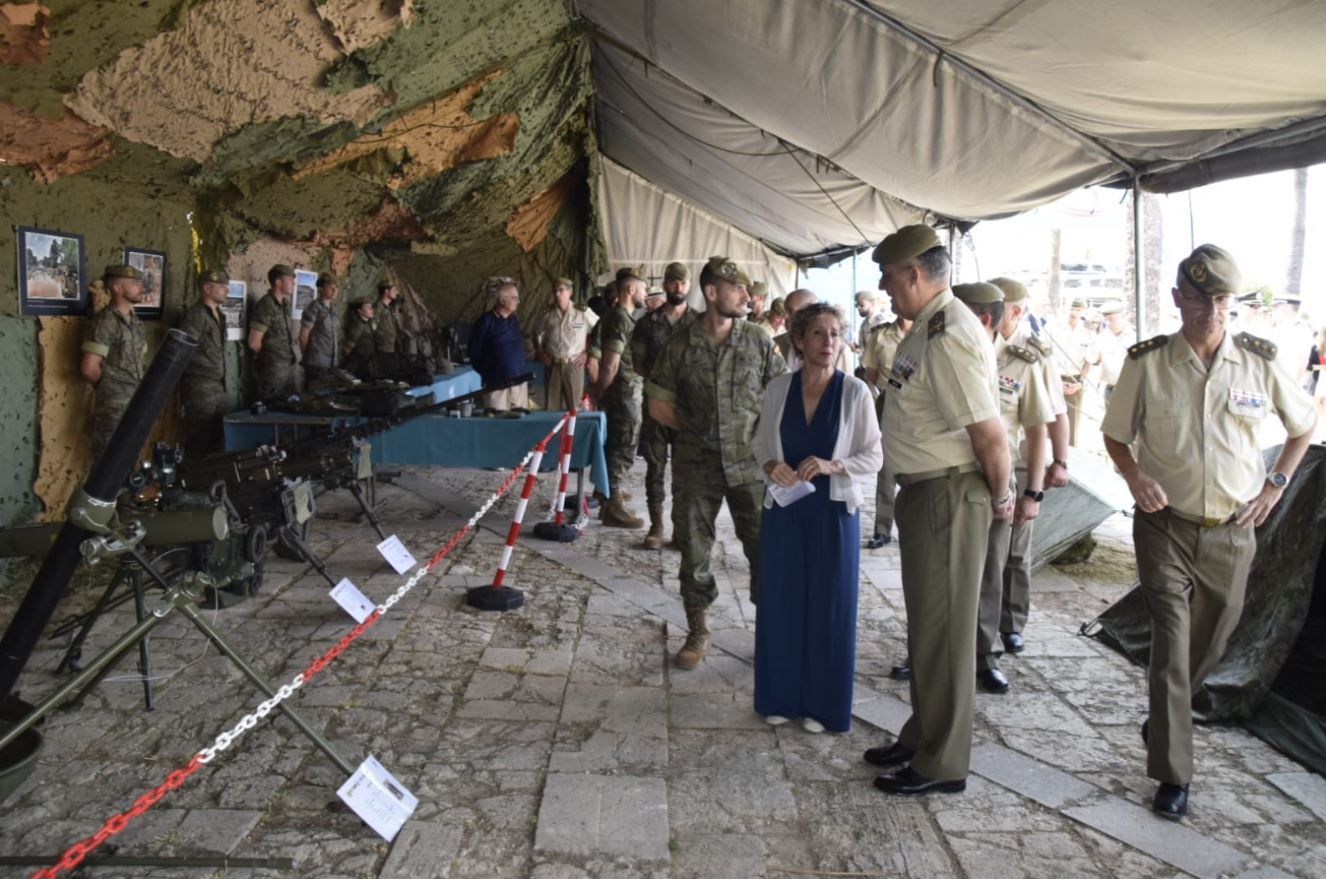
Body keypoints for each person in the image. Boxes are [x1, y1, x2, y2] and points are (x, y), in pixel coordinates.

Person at [1101, 244, 1316, 820]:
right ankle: (1174, 773)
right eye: (1198, 299)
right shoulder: (1146, 363)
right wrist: (1134, 475)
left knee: (1214, 639)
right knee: (1171, 646)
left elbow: (1304, 425)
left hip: (1230, 530)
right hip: (1163, 526)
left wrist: (1274, 485)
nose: (1210, 311)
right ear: (1178, 299)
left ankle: (1165, 715)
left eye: (1220, 300)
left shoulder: (1259, 361)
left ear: (1233, 303)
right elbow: (1116, 436)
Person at [862, 225, 1011, 796]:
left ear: (915, 275)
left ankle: (942, 762)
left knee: (945, 632)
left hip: (950, 494)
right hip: (928, 493)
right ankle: (923, 732)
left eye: (889, 277)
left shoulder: (947, 335)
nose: (885, 287)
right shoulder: (927, 328)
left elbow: (989, 435)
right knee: (928, 627)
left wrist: (1000, 500)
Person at [647, 256, 787, 669]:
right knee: (693, 551)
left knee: (765, 550)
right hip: (697, 468)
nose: (747, 295)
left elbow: (781, 396)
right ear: (712, 293)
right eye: (737, 288)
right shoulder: (679, 343)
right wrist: (697, 434)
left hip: (751, 466)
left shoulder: (758, 340)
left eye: (747, 289)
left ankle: (770, 633)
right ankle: (698, 629)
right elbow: (657, 404)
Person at [753, 303, 881, 732]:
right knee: (781, 601)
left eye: (835, 334)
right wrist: (772, 465)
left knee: (831, 607)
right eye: (819, 334)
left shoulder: (855, 393)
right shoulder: (777, 389)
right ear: (799, 341)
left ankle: (823, 707)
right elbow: (760, 446)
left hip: (834, 514)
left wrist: (832, 465)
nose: (829, 342)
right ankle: (781, 697)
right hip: (785, 511)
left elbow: (875, 456)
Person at [952, 283, 1055, 695]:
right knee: (940, 571)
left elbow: (1037, 429)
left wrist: (1034, 492)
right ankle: (927, 652)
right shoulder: (943, 354)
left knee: (991, 573)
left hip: (996, 478)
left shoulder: (1023, 363)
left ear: (983, 319)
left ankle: (984, 657)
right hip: (946, 475)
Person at [988, 278, 1070, 656]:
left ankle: (1012, 622)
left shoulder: (1034, 355)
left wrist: (1059, 462)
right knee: (986, 554)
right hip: (981, 464)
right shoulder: (977, 340)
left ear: (1016, 311)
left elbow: (1054, 414)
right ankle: (981, 625)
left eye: (997, 307)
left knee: (1016, 553)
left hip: (1020, 464)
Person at [631, 262, 694, 548]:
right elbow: (638, 363)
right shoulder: (647, 323)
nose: (677, 288)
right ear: (666, 284)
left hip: (688, 407)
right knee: (655, 465)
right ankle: (656, 525)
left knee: (684, 468)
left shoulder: (699, 323)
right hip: (656, 403)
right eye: (673, 283)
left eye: (682, 283)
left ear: (689, 286)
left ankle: (681, 527)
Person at [587, 268, 648, 527]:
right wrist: (602, 389)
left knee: (614, 444)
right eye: (643, 289)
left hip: (624, 392)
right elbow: (610, 364)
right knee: (623, 447)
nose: (645, 294)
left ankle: (605, 490)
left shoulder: (616, 317)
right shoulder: (621, 320)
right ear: (631, 290)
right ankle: (613, 508)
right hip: (624, 393)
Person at [80, 265, 147, 458]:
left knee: (130, 462)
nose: (140, 288)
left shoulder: (136, 323)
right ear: (117, 288)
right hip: (113, 409)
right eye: (134, 284)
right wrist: (112, 390)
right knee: (109, 464)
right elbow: (88, 368)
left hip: (136, 403)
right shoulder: (105, 321)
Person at [861, 311, 911, 549]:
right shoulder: (880, 335)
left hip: (922, 405)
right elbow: (871, 373)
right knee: (886, 467)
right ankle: (882, 529)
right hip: (888, 402)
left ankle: (914, 527)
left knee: (920, 467)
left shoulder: (928, 333)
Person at [177, 269, 231, 456]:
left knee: (218, 440)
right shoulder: (197, 315)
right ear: (207, 288)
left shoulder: (220, 316)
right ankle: (193, 481)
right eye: (222, 286)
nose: (227, 290)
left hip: (219, 385)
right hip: (199, 386)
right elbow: (182, 350)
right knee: (199, 439)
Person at [534, 277, 596, 412]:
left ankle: (574, 433)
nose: (557, 294)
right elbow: (537, 333)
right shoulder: (547, 313)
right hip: (553, 364)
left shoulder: (582, 312)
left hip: (574, 364)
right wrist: (539, 350)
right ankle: (553, 433)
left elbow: (599, 331)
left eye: (561, 290)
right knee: (551, 407)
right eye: (555, 290)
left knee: (575, 408)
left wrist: (587, 352)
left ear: (570, 292)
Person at [468, 277, 529, 411]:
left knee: (520, 422)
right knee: (498, 422)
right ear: (502, 300)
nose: (518, 301)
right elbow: (474, 352)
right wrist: (490, 373)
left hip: (518, 383)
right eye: (514, 298)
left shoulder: (514, 320)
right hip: (497, 386)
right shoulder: (485, 321)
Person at [248, 264, 300, 400]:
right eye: (290, 280)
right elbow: (254, 343)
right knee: (271, 408)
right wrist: (271, 358)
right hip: (273, 370)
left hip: (290, 367)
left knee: (291, 407)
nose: (293, 284)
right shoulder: (265, 305)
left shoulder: (286, 305)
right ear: (278, 282)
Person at [776, 290, 851, 372]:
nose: (785, 316)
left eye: (791, 311)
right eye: (785, 310)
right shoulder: (776, 343)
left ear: (810, 312)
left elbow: (846, 383)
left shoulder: (839, 350)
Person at [299, 272, 340, 383]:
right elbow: (303, 335)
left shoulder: (334, 309)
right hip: (317, 363)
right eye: (331, 287)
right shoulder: (314, 308)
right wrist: (307, 358)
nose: (334, 290)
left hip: (332, 362)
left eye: (336, 287)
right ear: (321, 289)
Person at [343, 298, 377, 367]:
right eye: (368, 307)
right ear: (359, 311)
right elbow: (347, 348)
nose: (372, 309)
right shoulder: (357, 325)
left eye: (371, 307)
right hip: (359, 364)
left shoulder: (366, 323)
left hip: (367, 362)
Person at [374, 280, 402, 353]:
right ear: (386, 291)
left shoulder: (389, 307)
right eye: (394, 290)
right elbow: (373, 328)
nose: (397, 292)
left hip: (391, 346)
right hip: (383, 347)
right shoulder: (378, 307)